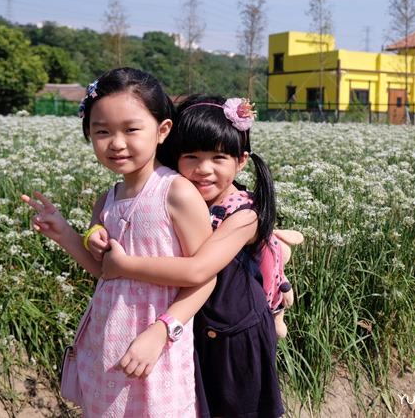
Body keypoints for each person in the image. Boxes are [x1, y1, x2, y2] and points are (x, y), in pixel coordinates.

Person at [21, 68, 215, 417]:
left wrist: (161, 332)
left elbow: (205, 277)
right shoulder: (106, 199)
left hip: (158, 346)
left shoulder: (177, 193)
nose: (116, 143)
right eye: (102, 132)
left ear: (162, 130)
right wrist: (64, 232)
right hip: (107, 344)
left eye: (131, 129)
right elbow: (103, 271)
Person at [92, 94, 292, 417]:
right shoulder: (179, 198)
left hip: (236, 335)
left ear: (241, 161)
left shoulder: (244, 215)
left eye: (218, 158)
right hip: (196, 328)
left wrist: (124, 265)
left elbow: (199, 269)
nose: (203, 170)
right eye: (192, 156)